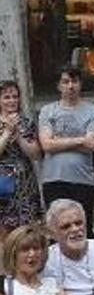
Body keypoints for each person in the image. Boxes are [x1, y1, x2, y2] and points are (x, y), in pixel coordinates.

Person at [38, 66, 94, 238]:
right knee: (56, 231)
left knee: (84, 229)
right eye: (65, 82)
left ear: (80, 84)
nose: (70, 86)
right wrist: (80, 139)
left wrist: (58, 140)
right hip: (54, 179)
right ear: (59, 86)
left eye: (74, 81)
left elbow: (92, 146)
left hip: (82, 179)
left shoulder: (92, 111)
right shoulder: (47, 111)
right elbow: (46, 145)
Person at [0, 81, 43, 240]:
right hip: (2, 186)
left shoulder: (26, 123)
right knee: (5, 234)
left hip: (25, 184)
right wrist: (7, 132)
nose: (12, 101)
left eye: (15, 97)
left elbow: (36, 154)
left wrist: (18, 135)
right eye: (6, 97)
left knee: (29, 231)